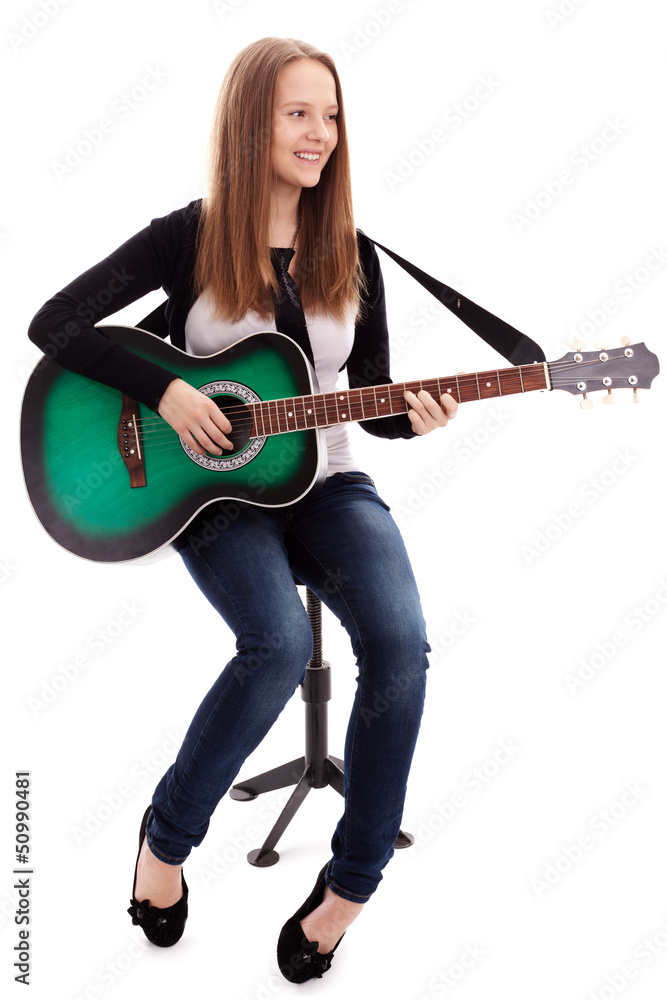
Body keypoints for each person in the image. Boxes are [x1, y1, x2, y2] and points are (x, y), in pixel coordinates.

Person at [28, 37, 458, 983]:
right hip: (213, 488)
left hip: (330, 478)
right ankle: (166, 842)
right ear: (252, 122)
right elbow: (54, 323)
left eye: (331, 115)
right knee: (269, 644)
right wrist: (171, 391)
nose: (319, 134)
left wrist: (413, 423)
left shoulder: (356, 253)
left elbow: (366, 396)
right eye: (299, 113)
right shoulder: (190, 233)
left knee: (401, 643)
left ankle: (350, 884)